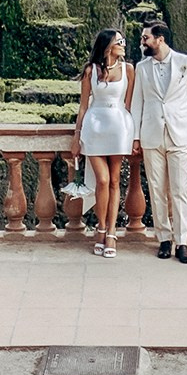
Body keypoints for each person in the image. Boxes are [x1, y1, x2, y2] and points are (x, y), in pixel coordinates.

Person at [127, 19, 187, 263]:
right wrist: (135, 136)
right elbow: (138, 103)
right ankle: (164, 239)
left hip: (180, 134)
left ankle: (182, 242)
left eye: (145, 38)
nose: (142, 41)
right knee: (156, 190)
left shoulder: (185, 63)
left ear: (160, 39)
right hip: (152, 135)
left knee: (179, 190)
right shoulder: (142, 67)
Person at [72, 27, 135, 257]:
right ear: (108, 45)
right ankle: (99, 226)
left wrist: (133, 135)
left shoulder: (129, 69)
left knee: (115, 180)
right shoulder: (91, 70)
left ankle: (110, 232)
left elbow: (129, 105)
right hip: (94, 126)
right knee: (102, 179)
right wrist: (76, 137)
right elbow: (83, 106)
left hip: (118, 127)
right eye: (120, 41)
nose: (124, 45)